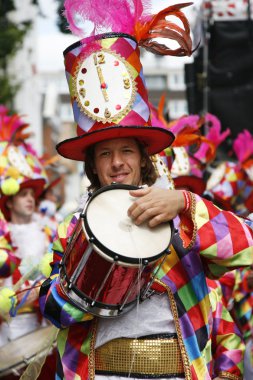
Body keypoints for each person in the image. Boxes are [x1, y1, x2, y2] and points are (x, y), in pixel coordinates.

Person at [39, 1, 253, 379]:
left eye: (126, 151)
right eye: (105, 153)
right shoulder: (70, 229)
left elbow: (247, 245)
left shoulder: (182, 217)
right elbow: (54, 313)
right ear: (93, 165)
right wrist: (87, 272)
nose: (117, 162)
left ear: (142, 160)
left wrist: (186, 205)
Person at [0, 106, 56, 379]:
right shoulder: (2, 233)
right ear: (9, 199)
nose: (30, 199)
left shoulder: (48, 231)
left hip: (37, 325)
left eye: (33, 194)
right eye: (23, 194)